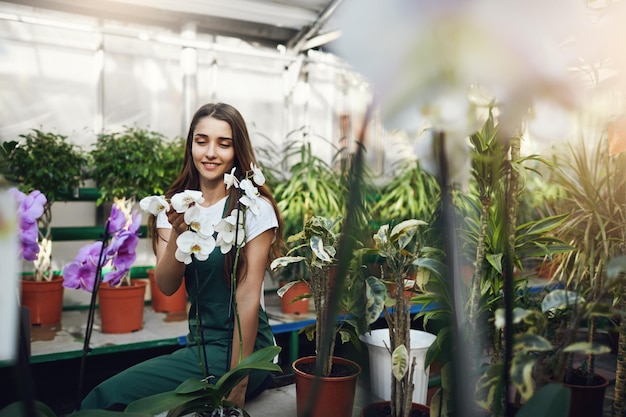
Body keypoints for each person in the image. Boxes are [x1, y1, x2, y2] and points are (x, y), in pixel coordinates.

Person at [81, 102, 284, 410]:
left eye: (223, 143)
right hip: (198, 346)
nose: (211, 152)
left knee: (108, 399)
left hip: (245, 351)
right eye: (202, 141)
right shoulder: (173, 206)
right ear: (191, 145)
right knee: (107, 396)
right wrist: (179, 230)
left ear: (237, 149)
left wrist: (238, 381)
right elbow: (165, 285)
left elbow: (248, 296)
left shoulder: (252, 208)